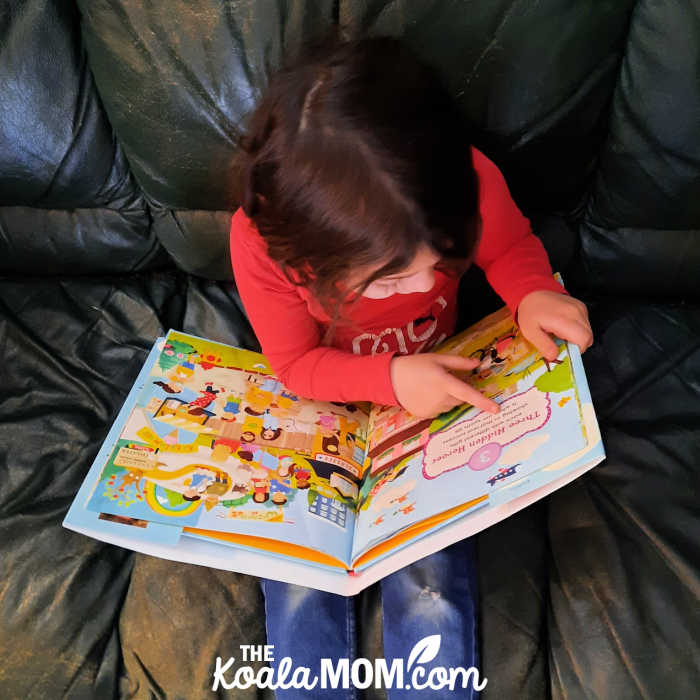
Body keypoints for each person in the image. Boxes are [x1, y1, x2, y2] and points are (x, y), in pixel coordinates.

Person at [230, 36, 593, 699]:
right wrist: (390, 380)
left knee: (430, 574)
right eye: (391, 279)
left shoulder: (462, 179)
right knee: (298, 585)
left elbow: (509, 244)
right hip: (325, 409)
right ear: (311, 254)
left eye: (440, 258)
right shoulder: (263, 245)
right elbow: (294, 363)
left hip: (433, 408)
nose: (428, 279)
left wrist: (532, 290)